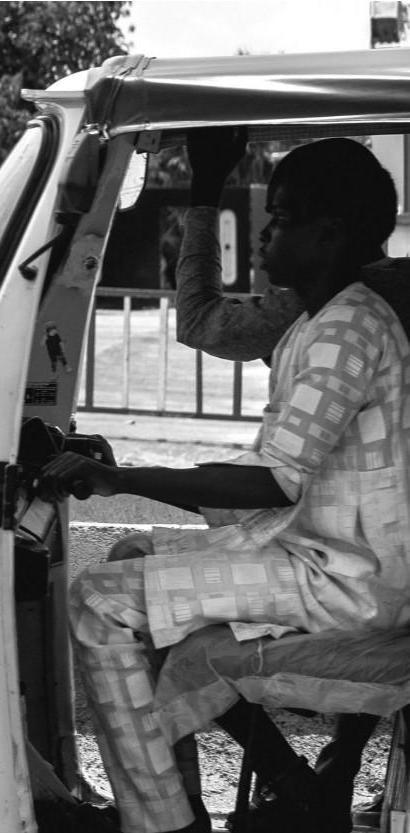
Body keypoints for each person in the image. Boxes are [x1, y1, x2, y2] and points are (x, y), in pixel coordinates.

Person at [41, 136, 410, 833]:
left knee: (97, 601)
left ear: (326, 236)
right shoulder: (319, 317)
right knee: (127, 563)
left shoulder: (346, 329)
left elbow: (272, 479)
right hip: (320, 550)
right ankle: (199, 795)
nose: (266, 229)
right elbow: (273, 475)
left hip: (346, 579)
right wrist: (119, 475)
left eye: (282, 215)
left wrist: (116, 476)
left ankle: (162, 822)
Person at [175, 128, 410, 831]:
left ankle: (289, 782)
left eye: (281, 217)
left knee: (163, 613)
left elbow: (198, 321)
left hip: (349, 555)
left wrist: (203, 189)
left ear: (325, 231)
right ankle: (330, 772)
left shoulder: (321, 302)